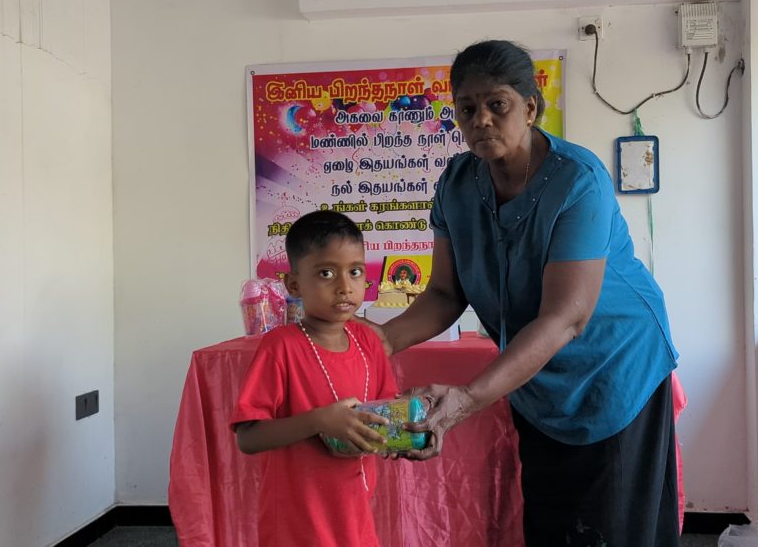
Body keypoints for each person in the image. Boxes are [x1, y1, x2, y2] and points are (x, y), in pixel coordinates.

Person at [375, 40, 681, 546]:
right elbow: (445, 294)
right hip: (533, 371)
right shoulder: (456, 183)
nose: (482, 120)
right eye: (467, 109)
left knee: (612, 524)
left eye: (498, 104)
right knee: (551, 518)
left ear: (531, 107)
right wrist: (375, 342)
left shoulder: (578, 180)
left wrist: (466, 399)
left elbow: (566, 317)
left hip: (614, 363)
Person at [232, 210, 399, 547]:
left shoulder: (369, 342)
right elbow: (248, 438)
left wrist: (409, 434)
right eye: (326, 273)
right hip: (295, 523)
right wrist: (319, 421)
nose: (345, 287)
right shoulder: (281, 347)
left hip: (354, 513)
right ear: (294, 285)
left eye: (355, 272)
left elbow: (386, 414)